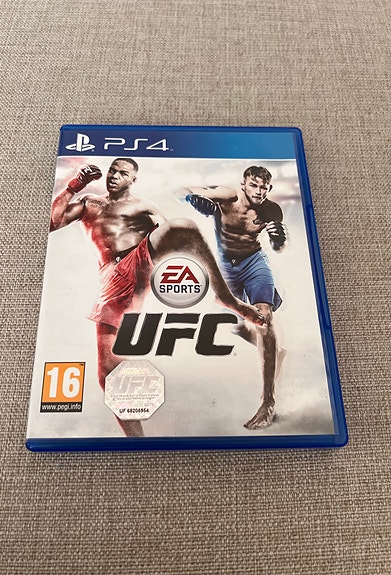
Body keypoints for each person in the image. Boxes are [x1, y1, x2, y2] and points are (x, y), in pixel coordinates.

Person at [50, 159, 264, 437]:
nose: (114, 176)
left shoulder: (143, 207)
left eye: (123, 173)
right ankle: (136, 441)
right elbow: (52, 222)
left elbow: (172, 238)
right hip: (111, 280)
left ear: (133, 180)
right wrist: (75, 185)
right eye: (112, 171)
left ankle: (228, 299)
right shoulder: (89, 203)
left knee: (183, 227)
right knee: (108, 375)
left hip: (139, 261)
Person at [177, 165, 287, 429]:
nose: (258, 192)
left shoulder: (271, 210)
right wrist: (193, 200)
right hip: (225, 267)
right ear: (243, 184)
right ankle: (273, 351)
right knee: (234, 326)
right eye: (254, 186)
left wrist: (279, 240)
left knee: (264, 318)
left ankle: (268, 402)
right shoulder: (227, 196)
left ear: (269, 189)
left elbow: (278, 247)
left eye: (263, 188)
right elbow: (179, 191)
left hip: (254, 262)